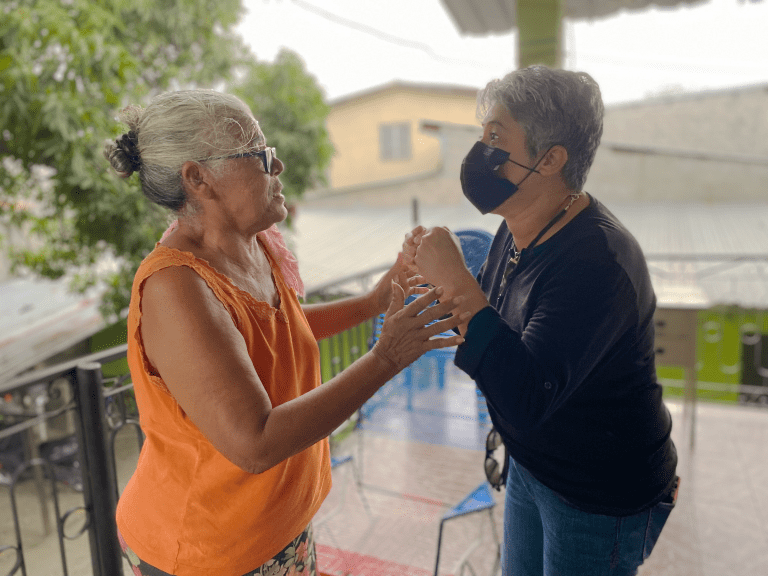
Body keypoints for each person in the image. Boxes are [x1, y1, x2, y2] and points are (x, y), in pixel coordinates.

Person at [104, 89, 465, 576]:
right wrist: (386, 357)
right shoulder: (176, 287)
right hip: (208, 550)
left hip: (275, 527)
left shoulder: (253, 244)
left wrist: (374, 301)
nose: (278, 166)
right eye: (259, 154)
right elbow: (255, 444)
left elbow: (273, 332)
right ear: (197, 178)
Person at [404, 66, 679, 576]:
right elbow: (494, 322)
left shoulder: (597, 262)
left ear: (551, 159)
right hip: (534, 463)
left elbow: (528, 393)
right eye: (483, 134)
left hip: (598, 490)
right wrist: (436, 283)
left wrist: (459, 285)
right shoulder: (518, 227)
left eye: (496, 138)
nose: (479, 151)